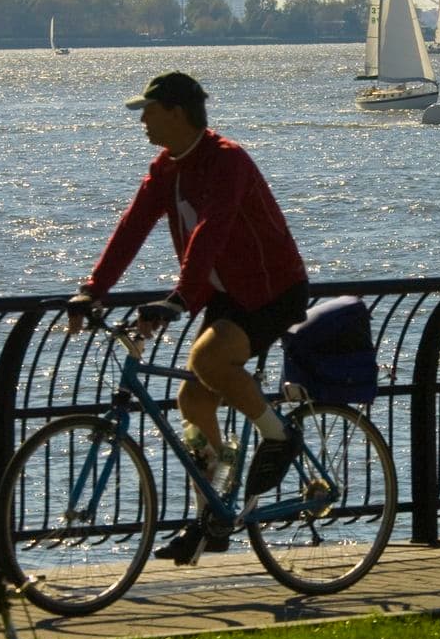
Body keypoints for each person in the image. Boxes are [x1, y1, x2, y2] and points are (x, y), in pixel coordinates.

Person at [67, 71, 309, 566]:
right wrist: (92, 289)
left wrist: (179, 299)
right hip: (226, 295)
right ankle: (215, 512)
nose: (143, 121)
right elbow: (132, 227)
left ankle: (279, 437)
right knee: (193, 400)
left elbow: (210, 232)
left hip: (273, 289)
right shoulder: (167, 168)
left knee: (208, 359)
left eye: (149, 112)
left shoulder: (227, 161)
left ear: (176, 113)